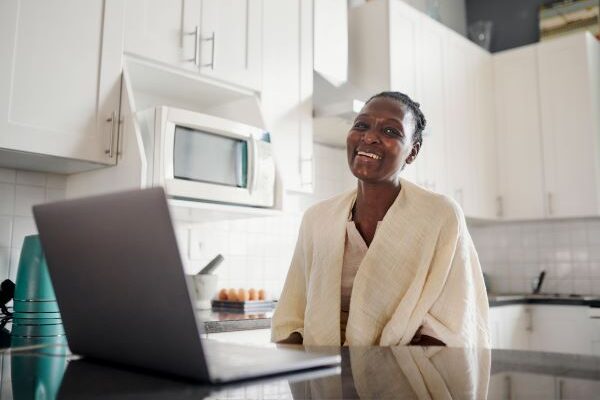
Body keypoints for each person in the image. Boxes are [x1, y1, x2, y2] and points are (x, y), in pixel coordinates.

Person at [271, 91, 489, 347]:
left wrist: (380, 372)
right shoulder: (317, 219)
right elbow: (293, 316)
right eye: (361, 125)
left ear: (412, 152)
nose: (370, 137)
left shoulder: (440, 215)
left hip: (408, 376)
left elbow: (452, 322)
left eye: (391, 132)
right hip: (324, 374)